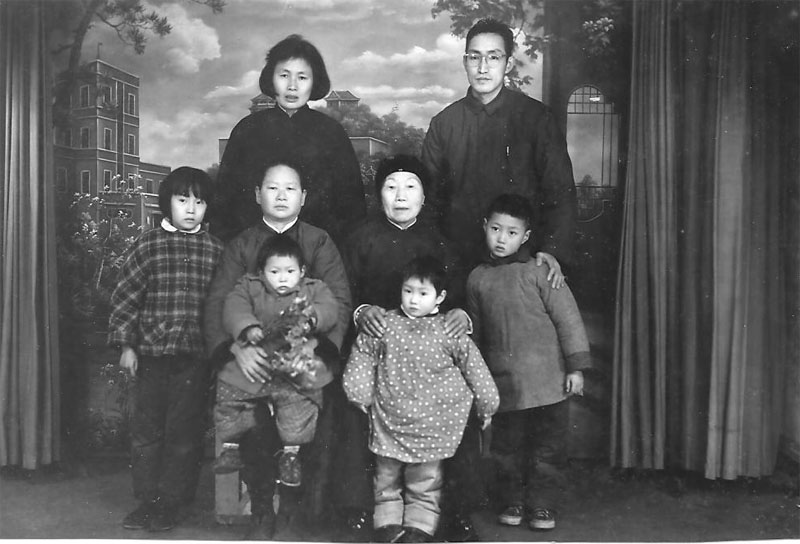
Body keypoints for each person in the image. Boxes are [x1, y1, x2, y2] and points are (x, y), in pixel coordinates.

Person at [204, 157, 352, 539]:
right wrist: (236, 349)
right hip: (253, 355)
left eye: (290, 188)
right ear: (258, 195)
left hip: (304, 355)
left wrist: (316, 350)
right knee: (253, 422)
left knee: (310, 415)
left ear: (304, 196)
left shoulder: (319, 241)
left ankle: (292, 509)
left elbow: (337, 300)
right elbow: (222, 300)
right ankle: (261, 508)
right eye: (272, 188)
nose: (281, 196)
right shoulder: (241, 244)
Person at [337, 155, 473, 540]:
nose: (400, 196)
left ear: (424, 196)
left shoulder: (440, 244)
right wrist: (362, 312)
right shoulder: (359, 239)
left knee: (459, 402)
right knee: (351, 407)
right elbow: (342, 293)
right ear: (378, 194)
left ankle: (452, 514)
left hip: (429, 363)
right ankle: (359, 511)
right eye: (391, 186)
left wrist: (462, 314)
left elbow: (457, 298)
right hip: (375, 353)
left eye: (410, 186)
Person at [344, 256, 499, 543]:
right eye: (408, 291)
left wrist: (487, 402)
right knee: (386, 476)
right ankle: (388, 523)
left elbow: (474, 366)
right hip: (390, 417)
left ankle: (420, 526)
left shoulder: (449, 330)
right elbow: (363, 353)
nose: (414, 300)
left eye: (423, 293)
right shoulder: (384, 324)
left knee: (425, 479)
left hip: (434, 422)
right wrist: (359, 391)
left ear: (440, 297)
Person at [107, 167, 223, 532]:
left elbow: (222, 305)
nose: (191, 209)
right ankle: (148, 500)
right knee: (148, 430)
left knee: (184, 432)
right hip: (152, 356)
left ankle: (173, 502)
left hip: (194, 357)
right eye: (183, 200)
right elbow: (127, 296)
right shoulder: (148, 244)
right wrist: (127, 345)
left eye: (199, 202)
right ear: (166, 203)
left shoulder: (215, 250)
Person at [466, 194, 591, 532]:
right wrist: (477, 381)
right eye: (495, 229)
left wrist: (576, 368)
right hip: (505, 384)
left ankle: (542, 505)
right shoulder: (477, 278)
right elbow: (475, 336)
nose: (501, 239)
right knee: (506, 449)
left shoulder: (541, 270)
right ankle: (512, 501)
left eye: (511, 232)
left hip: (549, 382)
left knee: (547, 449)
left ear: (526, 236)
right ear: (484, 227)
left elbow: (568, 319)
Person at [421, 18, 576, 289]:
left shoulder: (536, 118)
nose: (483, 68)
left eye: (493, 57)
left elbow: (560, 191)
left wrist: (552, 250)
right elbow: (430, 201)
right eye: (474, 57)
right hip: (457, 261)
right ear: (465, 62)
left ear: (509, 63)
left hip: (522, 262)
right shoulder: (444, 124)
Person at [213, 234, 340, 490]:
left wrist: (312, 317)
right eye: (274, 272)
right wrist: (247, 327)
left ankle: (291, 454)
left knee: (300, 403)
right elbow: (234, 306)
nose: (282, 279)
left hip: (292, 361)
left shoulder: (313, 289)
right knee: (229, 393)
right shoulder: (249, 286)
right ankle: (231, 445)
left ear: (302, 271)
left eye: (290, 271)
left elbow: (330, 308)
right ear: (261, 273)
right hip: (258, 359)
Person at [212, 33, 365, 243]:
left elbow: (351, 208)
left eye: (302, 77)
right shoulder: (247, 130)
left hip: (318, 249)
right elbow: (226, 205)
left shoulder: (332, 132)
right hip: (255, 248)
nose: (292, 86)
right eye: (284, 75)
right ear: (271, 79)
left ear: (314, 82)